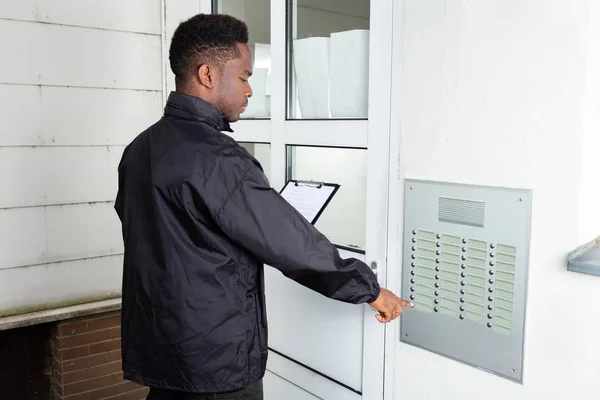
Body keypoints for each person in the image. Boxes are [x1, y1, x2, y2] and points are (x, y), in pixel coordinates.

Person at [114, 13, 412, 400]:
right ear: (207, 75)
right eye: (244, 77)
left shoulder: (139, 149)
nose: (250, 90)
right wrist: (368, 289)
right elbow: (289, 243)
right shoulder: (219, 159)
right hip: (215, 364)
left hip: (163, 352)